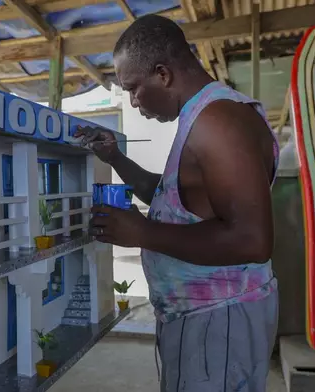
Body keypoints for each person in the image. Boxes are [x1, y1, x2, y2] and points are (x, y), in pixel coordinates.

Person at [76, 14, 279, 392]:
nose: (134, 103)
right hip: (210, 317)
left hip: (219, 319)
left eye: (134, 88)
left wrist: (142, 233)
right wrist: (117, 158)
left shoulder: (216, 121)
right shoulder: (205, 115)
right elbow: (173, 197)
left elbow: (253, 241)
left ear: (163, 74)